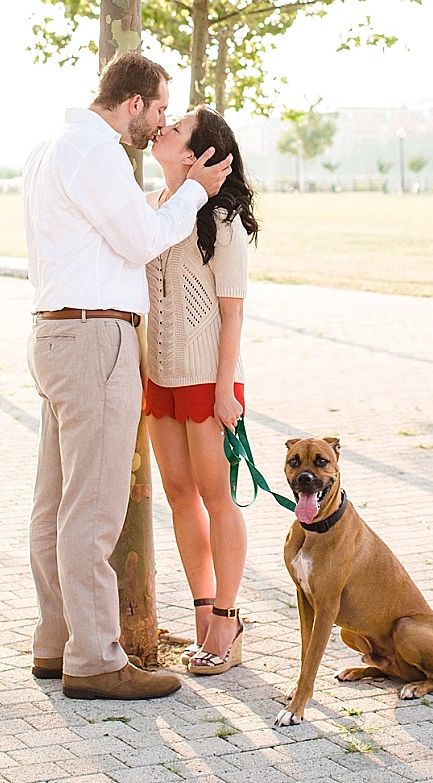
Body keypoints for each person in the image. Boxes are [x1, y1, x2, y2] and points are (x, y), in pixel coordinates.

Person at [22, 52, 232, 702]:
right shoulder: (97, 153)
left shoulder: (51, 148)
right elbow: (142, 240)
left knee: (56, 502)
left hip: (56, 332)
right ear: (134, 102)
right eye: (161, 107)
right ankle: (95, 659)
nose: (163, 119)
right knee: (94, 507)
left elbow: (115, 233)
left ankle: (56, 641)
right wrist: (198, 190)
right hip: (95, 339)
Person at [144, 106, 258, 676]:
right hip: (157, 379)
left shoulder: (223, 220)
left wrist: (224, 392)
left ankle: (229, 620)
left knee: (218, 498)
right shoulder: (153, 209)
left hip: (207, 381)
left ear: (197, 155)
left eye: (178, 127)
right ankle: (202, 615)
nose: (163, 128)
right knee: (180, 497)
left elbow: (233, 315)